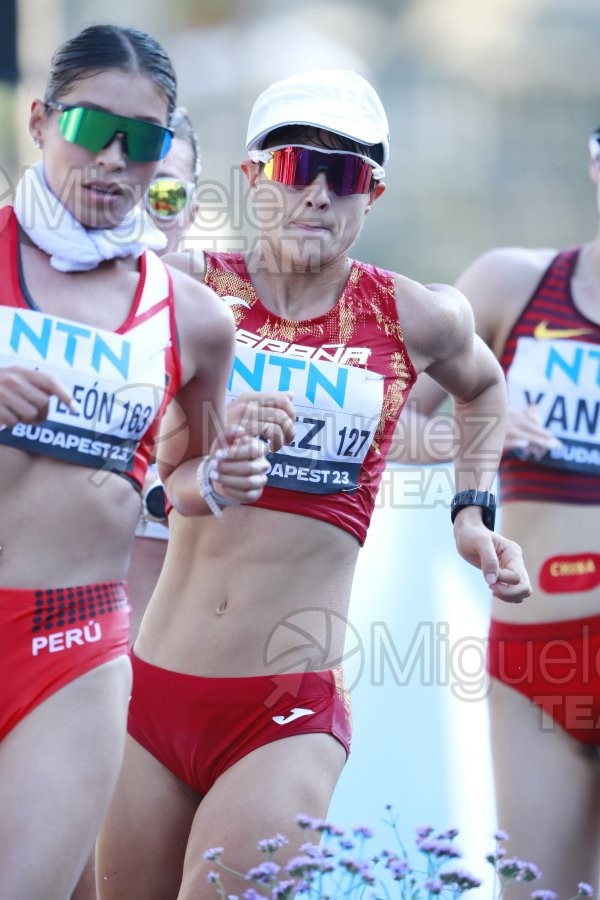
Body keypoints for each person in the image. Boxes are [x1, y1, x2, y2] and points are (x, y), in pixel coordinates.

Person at [96, 68, 532, 900]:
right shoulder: (186, 291)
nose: (318, 197)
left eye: (346, 177)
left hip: (284, 712)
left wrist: (472, 517)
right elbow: (148, 454)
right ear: (256, 175)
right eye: (297, 168)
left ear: (374, 193)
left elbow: (483, 389)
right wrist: (193, 478)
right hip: (149, 693)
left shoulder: (416, 316)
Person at [0, 24, 268, 900]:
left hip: (70, 641)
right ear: (40, 122)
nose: (114, 160)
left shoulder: (196, 321)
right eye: (90, 130)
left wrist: (219, 482)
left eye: (143, 140)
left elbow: (185, 478)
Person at [396, 127, 600, 897]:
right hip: (534, 654)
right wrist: (469, 429)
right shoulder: (512, 283)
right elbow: (387, 425)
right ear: (593, 159)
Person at [127, 106, 202, 641]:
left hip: (174, 662)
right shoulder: (28, 305)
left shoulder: (220, 326)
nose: (145, 210)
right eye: (131, 184)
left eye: (166, 195)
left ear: (191, 209)